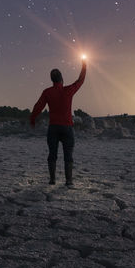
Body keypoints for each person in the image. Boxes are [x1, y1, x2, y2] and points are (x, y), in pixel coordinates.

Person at [29, 58, 87, 186]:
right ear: (62, 79)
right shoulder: (68, 90)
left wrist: (33, 119)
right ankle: (69, 180)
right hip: (67, 127)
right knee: (68, 155)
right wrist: (84, 65)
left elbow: (38, 106)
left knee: (52, 154)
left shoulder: (47, 92)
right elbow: (80, 80)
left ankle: (52, 179)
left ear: (52, 79)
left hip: (53, 128)